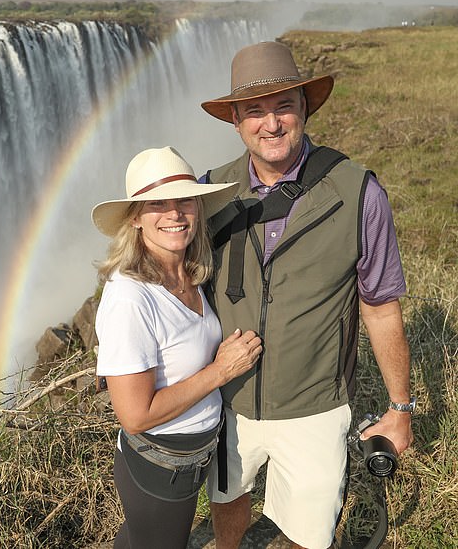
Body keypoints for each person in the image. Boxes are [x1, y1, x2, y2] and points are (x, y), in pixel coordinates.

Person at [199, 41, 414, 549]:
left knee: (309, 532)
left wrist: (401, 410)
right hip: (227, 400)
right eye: (255, 110)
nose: (270, 124)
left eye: (283, 107)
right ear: (235, 120)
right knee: (228, 495)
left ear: (303, 109)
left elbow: (381, 308)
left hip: (317, 407)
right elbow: (175, 285)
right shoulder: (209, 194)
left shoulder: (358, 192)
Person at [91, 146, 263, 549]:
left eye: (184, 199)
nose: (175, 213)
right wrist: (220, 371)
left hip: (189, 461)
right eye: (158, 204)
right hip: (160, 469)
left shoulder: (190, 273)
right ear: (135, 218)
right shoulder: (130, 298)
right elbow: (135, 415)